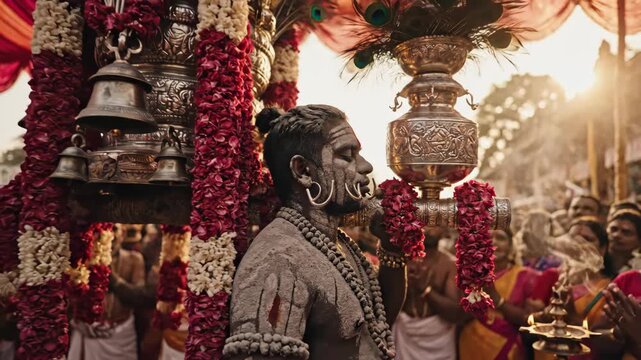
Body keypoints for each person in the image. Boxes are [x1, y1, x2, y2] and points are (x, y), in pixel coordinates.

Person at [224, 105, 406, 360]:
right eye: (347, 155)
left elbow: (376, 322)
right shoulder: (279, 259)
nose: (365, 167)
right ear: (303, 171)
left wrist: (391, 246)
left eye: (359, 154)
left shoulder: (335, 243)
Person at [459, 229, 539, 360]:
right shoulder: (467, 274)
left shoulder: (526, 276)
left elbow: (531, 320)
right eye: (488, 237)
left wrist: (498, 300)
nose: (494, 242)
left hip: (508, 349)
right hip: (470, 345)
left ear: (511, 245)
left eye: (501, 238)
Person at [69, 224, 145, 360]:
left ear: (123, 233)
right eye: (104, 231)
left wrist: (113, 278)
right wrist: (78, 320)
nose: (109, 235)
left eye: (114, 229)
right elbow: (73, 294)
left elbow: (139, 297)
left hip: (122, 333)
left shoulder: (134, 259)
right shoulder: (85, 259)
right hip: (91, 331)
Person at [393, 227, 460, 360]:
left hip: (439, 344)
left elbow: (456, 314)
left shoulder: (451, 265)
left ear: (444, 229)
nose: (429, 228)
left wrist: (425, 290)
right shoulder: (399, 258)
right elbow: (385, 306)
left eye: (435, 223)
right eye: (425, 221)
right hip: (403, 339)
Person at [606, 202, 641, 274]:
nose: (617, 235)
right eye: (613, 229)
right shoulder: (594, 262)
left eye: (626, 232)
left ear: (639, 241)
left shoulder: (638, 269)